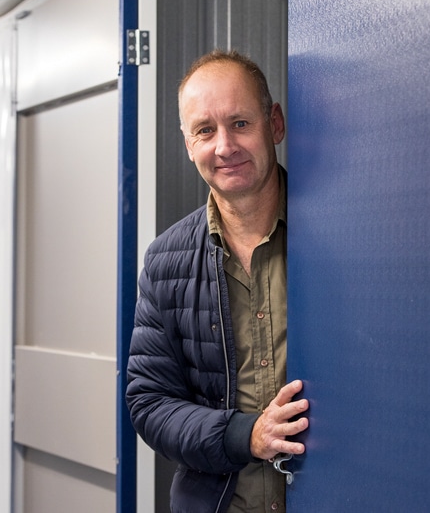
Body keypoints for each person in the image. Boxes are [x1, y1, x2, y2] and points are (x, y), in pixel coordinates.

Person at [125, 49, 309, 513]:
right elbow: (150, 403)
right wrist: (245, 435)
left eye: (240, 123)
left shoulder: (345, 240)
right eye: (205, 130)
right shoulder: (166, 260)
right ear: (188, 144)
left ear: (276, 124)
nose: (224, 146)